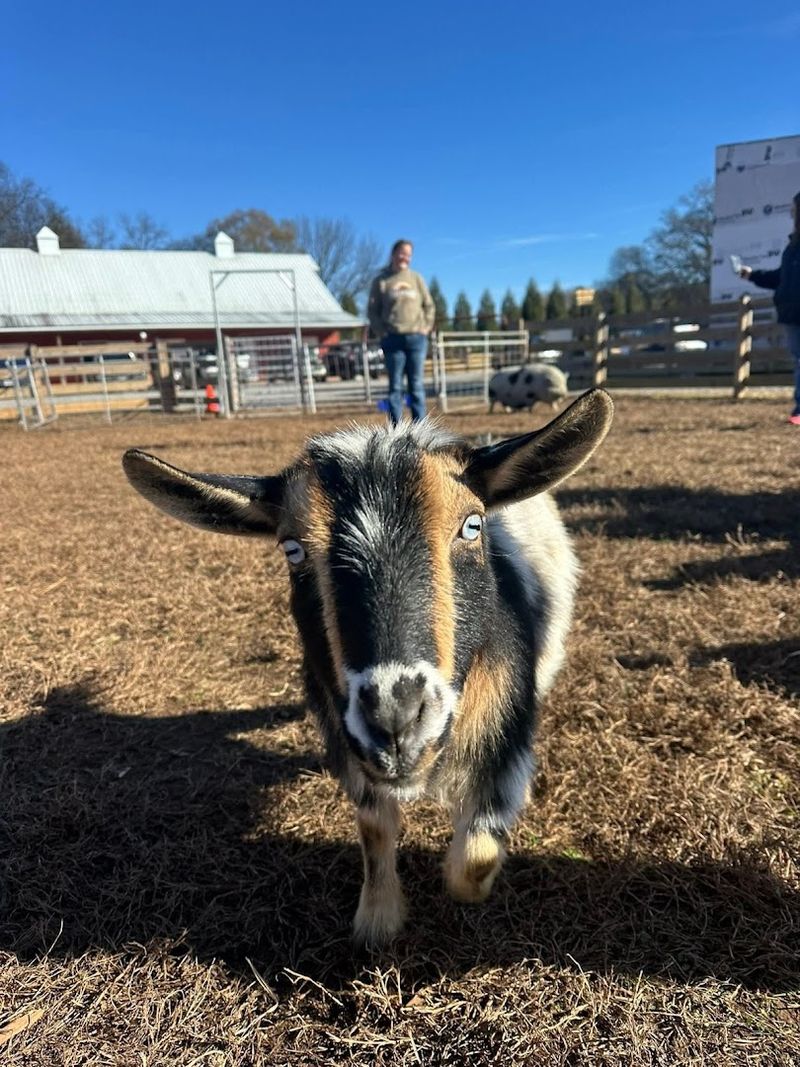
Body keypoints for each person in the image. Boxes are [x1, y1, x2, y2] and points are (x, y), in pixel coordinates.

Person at [739, 191, 800, 425]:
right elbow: (781, 278)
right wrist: (752, 275)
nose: (792, 213)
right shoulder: (792, 246)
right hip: (793, 314)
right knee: (799, 361)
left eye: (795, 209)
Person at [367, 239, 435, 424]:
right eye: (402, 253)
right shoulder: (381, 281)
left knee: (416, 385)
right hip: (393, 339)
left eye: (408, 254)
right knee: (395, 387)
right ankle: (396, 430)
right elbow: (373, 310)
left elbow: (429, 305)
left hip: (416, 338)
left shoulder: (416, 279)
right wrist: (381, 331)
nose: (405, 257)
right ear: (393, 254)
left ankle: (420, 429)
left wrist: (426, 327)